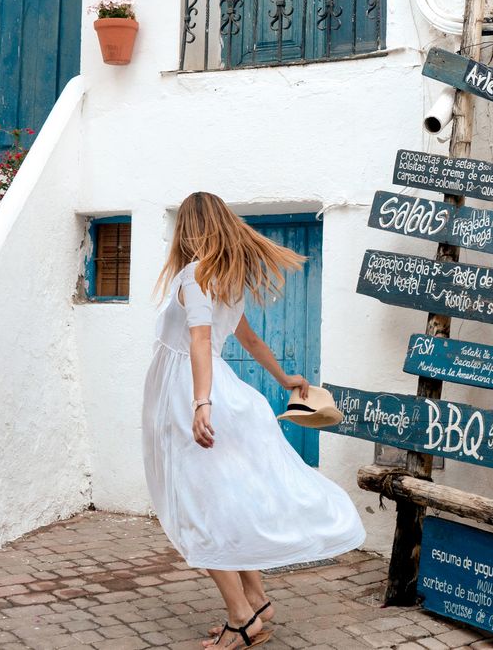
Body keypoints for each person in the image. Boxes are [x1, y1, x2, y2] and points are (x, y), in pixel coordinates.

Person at [143, 192, 365, 648]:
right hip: (219, 392)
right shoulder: (224, 280)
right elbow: (251, 341)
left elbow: (201, 342)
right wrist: (286, 379)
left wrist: (201, 403)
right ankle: (258, 601)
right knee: (223, 502)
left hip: (196, 395)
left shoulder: (193, 278)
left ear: (188, 228)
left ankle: (241, 618)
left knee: (198, 510)